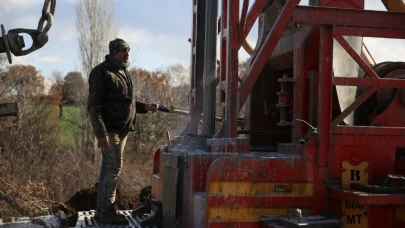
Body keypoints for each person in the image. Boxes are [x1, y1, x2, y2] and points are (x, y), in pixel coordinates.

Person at [88, 38, 158, 225]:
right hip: (110, 131)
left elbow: (125, 102)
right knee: (113, 168)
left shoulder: (123, 71)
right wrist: (101, 133)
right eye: (124, 51)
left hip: (122, 129)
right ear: (114, 52)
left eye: (128, 50)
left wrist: (145, 107)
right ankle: (106, 213)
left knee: (110, 169)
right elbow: (94, 107)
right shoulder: (101, 73)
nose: (128, 54)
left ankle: (102, 211)